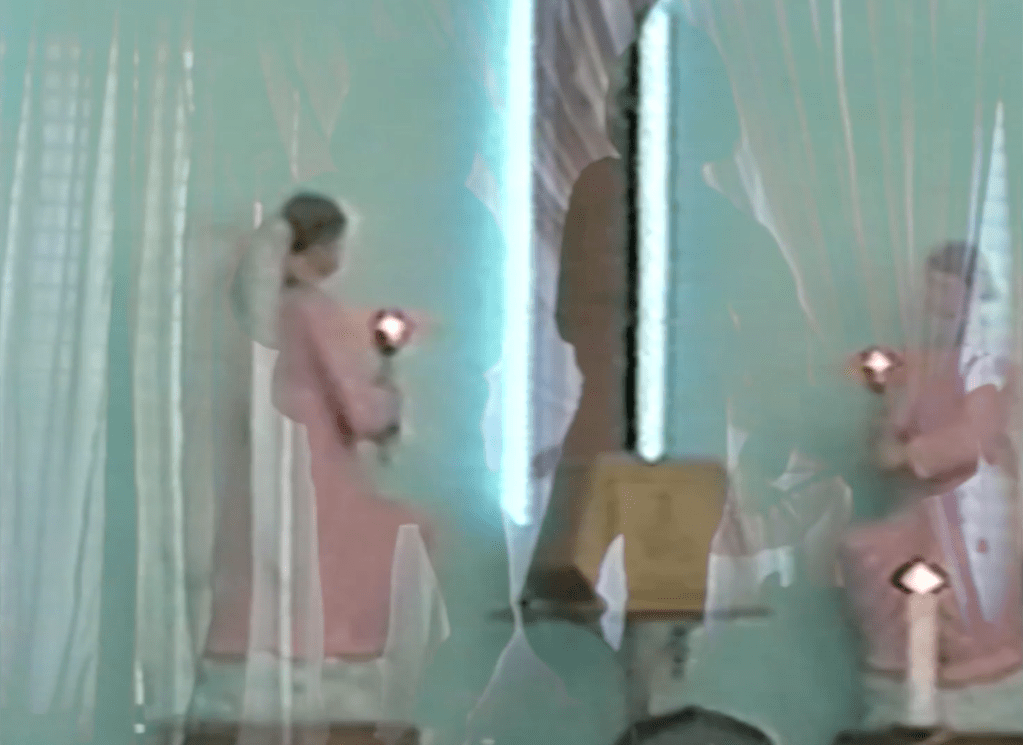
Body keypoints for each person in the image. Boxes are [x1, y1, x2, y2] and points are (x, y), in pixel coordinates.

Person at [203, 192, 434, 663]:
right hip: (316, 455)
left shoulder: (264, 312)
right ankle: (329, 639)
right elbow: (357, 405)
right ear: (319, 247)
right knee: (349, 546)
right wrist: (388, 398)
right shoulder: (311, 310)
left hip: (271, 448)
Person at [840, 241, 1022, 725]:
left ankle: (969, 691)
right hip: (922, 505)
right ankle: (902, 686)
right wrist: (888, 430)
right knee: (869, 553)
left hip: (974, 505)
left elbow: (973, 438)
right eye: (933, 291)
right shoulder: (914, 366)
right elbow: (887, 433)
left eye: (948, 292)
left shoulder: (992, 367)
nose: (938, 302)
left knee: (951, 580)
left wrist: (908, 455)